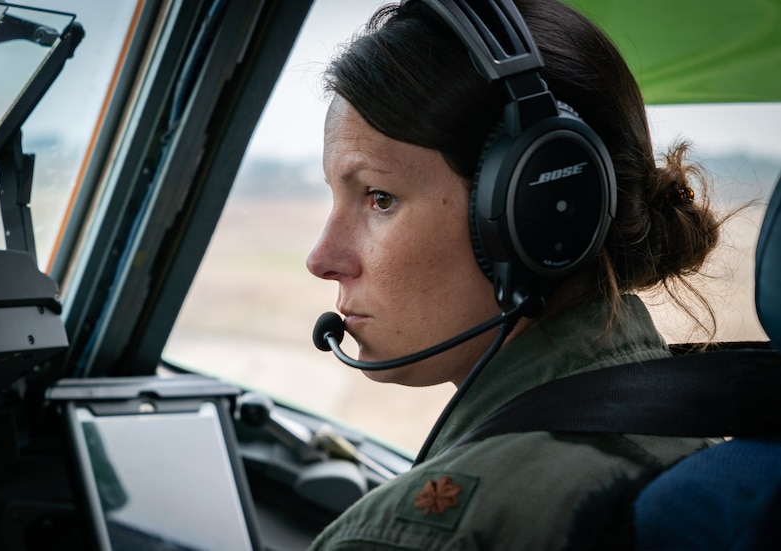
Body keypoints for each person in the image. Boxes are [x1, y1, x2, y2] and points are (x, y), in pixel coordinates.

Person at [305, 0, 723, 548]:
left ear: (538, 207)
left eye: (379, 198)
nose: (321, 258)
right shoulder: (695, 441)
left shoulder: (415, 536)